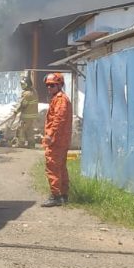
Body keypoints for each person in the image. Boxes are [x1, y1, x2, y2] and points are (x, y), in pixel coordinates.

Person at [41, 72, 72, 207]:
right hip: (60, 140)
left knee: (52, 166)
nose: (49, 88)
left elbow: (58, 119)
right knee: (60, 167)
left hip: (56, 140)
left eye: (52, 85)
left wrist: (50, 135)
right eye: (47, 85)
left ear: (59, 85)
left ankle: (56, 196)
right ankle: (63, 196)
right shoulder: (59, 98)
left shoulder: (60, 99)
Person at [9, 76, 40, 148]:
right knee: (29, 130)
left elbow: (22, 104)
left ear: (27, 84)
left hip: (26, 116)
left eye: (23, 84)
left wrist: (16, 111)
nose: (22, 86)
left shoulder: (26, 94)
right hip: (32, 116)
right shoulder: (34, 92)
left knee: (21, 129)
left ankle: (20, 143)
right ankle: (31, 144)